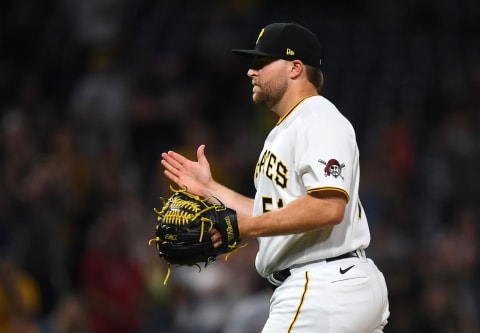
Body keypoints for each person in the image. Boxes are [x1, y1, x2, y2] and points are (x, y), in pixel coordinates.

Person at [161, 22, 390, 333]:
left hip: (322, 284)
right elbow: (271, 214)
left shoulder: (318, 118)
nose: (251, 72)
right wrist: (210, 189)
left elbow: (328, 208)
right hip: (336, 284)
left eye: (262, 63)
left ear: (295, 68)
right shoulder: (286, 130)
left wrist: (245, 228)